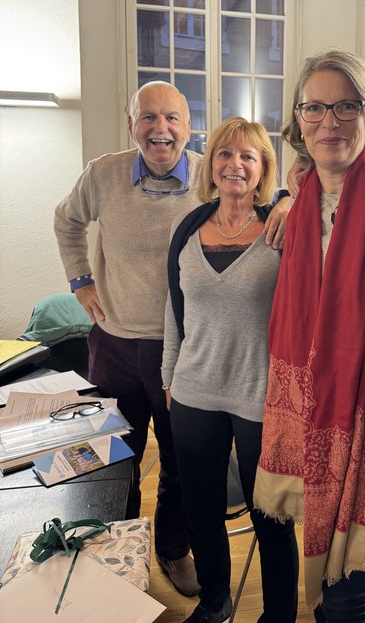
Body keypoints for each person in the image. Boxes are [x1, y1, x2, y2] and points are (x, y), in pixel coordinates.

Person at [54, 81, 289, 596]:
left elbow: (263, 192)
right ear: (131, 123)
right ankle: (115, 556)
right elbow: (65, 221)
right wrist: (80, 280)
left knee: (182, 470)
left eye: (172, 118)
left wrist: (288, 199)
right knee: (113, 459)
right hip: (114, 343)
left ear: (188, 127)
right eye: (148, 117)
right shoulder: (102, 175)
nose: (160, 129)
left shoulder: (211, 174)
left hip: (181, 349)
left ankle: (173, 548)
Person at [253, 50, 365, 622]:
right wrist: (287, 194)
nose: (329, 122)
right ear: (298, 120)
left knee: (350, 570)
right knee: (327, 541)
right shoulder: (293, 201)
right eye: (314, 108)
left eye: (346, 106)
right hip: (311, 396)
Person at [162, 116, 299, 623]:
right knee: (201, 510)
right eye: (224, 153)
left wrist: (289, 197)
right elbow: (173, 309)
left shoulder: (281, 228)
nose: (234, 164)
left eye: (247, 155)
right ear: (211, 164)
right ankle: (215, 601)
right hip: (194, 390)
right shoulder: (187, 229)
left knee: (271, 517)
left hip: (260, 394)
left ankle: (278, 614)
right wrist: (169, 377)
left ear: (262, 169)